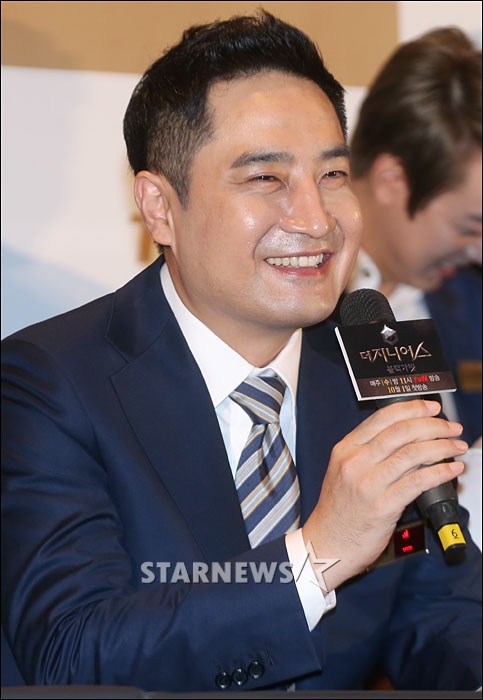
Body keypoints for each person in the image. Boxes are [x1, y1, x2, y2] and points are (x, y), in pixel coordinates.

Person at [1, 11, 481, 692]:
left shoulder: (371, 371)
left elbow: (440, 608)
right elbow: (72, 654)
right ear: (159, 207)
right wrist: (318, 555)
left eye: (332, 174)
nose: (316, 219)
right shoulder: (49, 384)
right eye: (265, 179)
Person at [347, 27, 482, 548]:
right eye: (469, 226)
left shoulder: (467, 297)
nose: (478, 251)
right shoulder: (290, 315)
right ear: (391, 181)